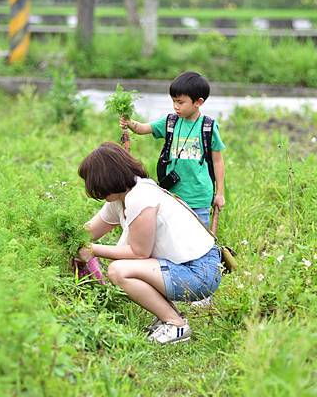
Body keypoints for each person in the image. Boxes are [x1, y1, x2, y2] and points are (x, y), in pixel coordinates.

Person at [77, 142, 222, 345]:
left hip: (201, 272)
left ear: (106, 179)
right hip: (185, 268)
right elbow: (88, 231)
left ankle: (176, 324)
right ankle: (169, 317)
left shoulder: (140, 197)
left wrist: (93, 251)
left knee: (119, 271)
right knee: (122, 268)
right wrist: (66, 238)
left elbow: (139, 252)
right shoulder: (122, 198)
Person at [119, 71, 226, 228]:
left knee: (199, 238)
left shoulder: (208, 127)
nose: (176, 106)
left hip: (199, 197)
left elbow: (217, 161)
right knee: (173, 236)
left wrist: (220, 193)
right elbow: (143, 128)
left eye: (180, 102)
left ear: (198, 102)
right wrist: (129, 122)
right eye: (173, 101)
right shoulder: (171, 122)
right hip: (172, 194)